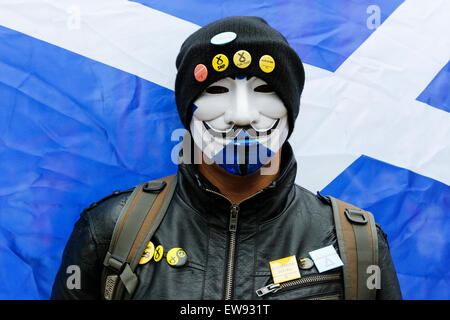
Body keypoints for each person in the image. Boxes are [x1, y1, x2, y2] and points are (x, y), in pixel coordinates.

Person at [51, 16, 402, 300]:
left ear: (291, 109)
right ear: (187, 111)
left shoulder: (356, 244)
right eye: (217, 91)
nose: (242, 115)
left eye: (265, 90)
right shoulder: (112, 230)